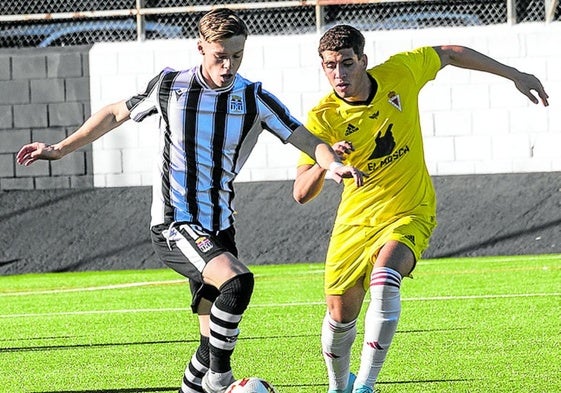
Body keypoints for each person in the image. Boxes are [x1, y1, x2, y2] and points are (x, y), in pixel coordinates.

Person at [16, 9, 365, 393]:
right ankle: (222, 382)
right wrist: (59, 149)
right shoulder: (170, 87)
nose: (228, 66)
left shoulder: (252, 96)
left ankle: (202, 383)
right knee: (238, 283)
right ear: (201, 48)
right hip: (174, 223)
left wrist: (332, 164)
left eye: (236, 56)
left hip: (219, 227)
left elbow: (305, 137)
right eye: (220, 56)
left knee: (209, 342)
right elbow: (116, 113)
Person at [293, 25, 549, 393]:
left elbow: (450, 52)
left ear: (363, 61)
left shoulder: (401, 72)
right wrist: (325, 161)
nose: (339, 74)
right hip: (354, 224)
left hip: (409, 211)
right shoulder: (322, 119)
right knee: (339, 315)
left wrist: (515, 75)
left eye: (347, 64)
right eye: (330, 66)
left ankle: (365, 386)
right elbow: (301, 193)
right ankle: (339, 387)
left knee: (384, 279)